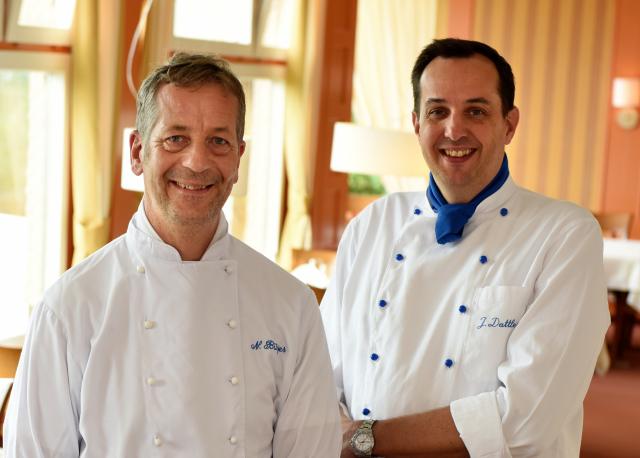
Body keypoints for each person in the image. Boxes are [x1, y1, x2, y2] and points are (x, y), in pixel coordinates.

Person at [4, 52, 341, 457]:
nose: (196, 162)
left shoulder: (292, 305)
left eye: (218, 141)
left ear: (238, 159)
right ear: (137, 152)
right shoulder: (69, 307)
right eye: (175, 138)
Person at [320, 38, 609, 457]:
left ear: (509, 125)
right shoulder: (371, 225)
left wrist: (364, 439)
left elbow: (525, 420)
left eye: (476, 111)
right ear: (416, 124)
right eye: (437, 111)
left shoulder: (564, 234)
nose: (454, 130)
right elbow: (319, 375)